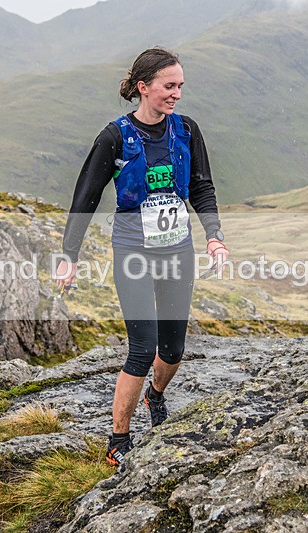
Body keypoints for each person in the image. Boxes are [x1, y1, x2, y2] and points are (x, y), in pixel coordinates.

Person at [55, 47, 228, 467]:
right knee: (141, 347)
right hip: (133, 251)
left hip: (177, 250)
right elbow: (87, 197)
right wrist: (69, 254)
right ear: (143, 87)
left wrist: (214, 236)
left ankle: (156, 395)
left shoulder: (187, 130)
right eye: (169, 86)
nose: (177, 95)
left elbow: (201, 186)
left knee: (172, 349)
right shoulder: (113, 138)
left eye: (180, 86)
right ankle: (118, 438)